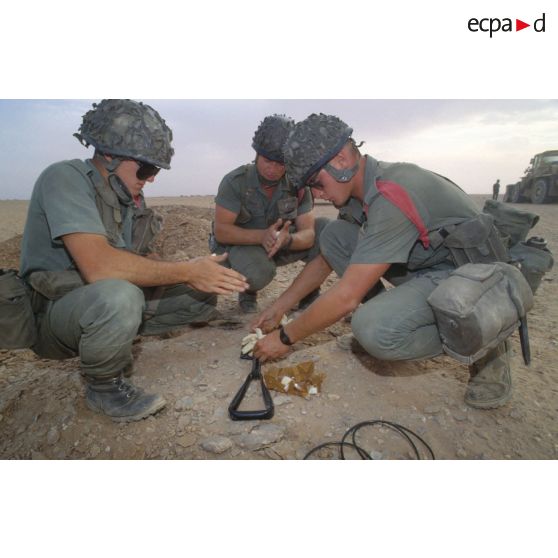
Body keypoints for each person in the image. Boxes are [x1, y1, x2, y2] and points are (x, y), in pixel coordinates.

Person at [252, 113, 512, 410]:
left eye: (315, 182)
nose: (315, 193)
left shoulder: (391, 194)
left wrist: (285, 338)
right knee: (335, 236)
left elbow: (346, 297)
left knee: (374, 330)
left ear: (340, 161)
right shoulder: (358, 188)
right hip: (427, 264)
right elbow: (325, 259)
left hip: (474, 280)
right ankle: (394, 313)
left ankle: (489, 342)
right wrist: (280, 307)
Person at [19, 99, 249, 422]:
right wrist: (186, 270)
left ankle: (114, 337)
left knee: (197, 297)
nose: (150, 179)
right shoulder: (64, 178)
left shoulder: (127, 199)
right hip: (51, 313)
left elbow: (140, 258)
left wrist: (196, 272)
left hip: (97, 305)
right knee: (121, 296)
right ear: (110, 155)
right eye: (145, 169)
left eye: (154, 170)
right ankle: (104, 388)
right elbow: (99, 266)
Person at [213, 114, 329, 313]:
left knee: (328, 231)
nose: (273, 169)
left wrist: (287, 241)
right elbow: (222, 231)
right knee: (259, 273)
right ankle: (248, 292)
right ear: (257, 154)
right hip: (243, 246)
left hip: (281, 244)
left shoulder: (297, 184)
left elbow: (308, 233)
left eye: (281, 163)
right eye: (268, 160)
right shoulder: (236, 181)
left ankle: (309, 290)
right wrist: (261, 236)